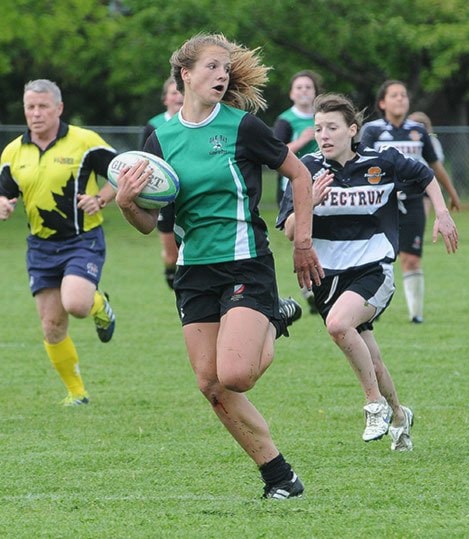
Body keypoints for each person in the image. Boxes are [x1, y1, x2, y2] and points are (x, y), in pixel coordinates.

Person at [115, 33, 321, 500]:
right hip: (194, 272)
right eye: (211, 66)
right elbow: (149, 223)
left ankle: (272, 313)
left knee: (236, 375)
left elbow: (300, 174)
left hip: (245, 263)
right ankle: (279, 477)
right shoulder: (159, 139)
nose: (222, 74)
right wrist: (127, 203)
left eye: (225, 67)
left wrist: (303, 242)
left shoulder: (241, 126)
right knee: (211, 384)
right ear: (184, 75)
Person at [277, 93, 458, 450]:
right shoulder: (306, 170)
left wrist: (442, 212)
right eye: (318, 129)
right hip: (326, 277)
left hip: (373, 269)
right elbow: (287, 230)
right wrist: (310, 201)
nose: (323, 135)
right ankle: (401, 416)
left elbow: (424, 175)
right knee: (370, 356)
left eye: (332, 127)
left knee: (338, 325)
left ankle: (374, 405)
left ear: (352, 130)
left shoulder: (383, 162)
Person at [0, 79, 117, 407]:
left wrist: (100, 199)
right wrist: (1, 205)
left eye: (43, 106)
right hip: (40, 246)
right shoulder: (13, 151)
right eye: (30, 107)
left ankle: (99, 305)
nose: (36, 113)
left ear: (59, 108)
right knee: (51, 326)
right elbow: (3, 193)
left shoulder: (84, 141)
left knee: (75, 304)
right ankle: (77, 393)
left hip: (82, 239)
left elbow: (122, 176)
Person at [360, 80, 461, 323]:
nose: (401, 99)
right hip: (381, 203)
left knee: (412, 258)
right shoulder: (372, 131)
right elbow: (361, 164)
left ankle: (416, 314)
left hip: (414, 201)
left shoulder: (418, 131)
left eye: (404, 95)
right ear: (382, 102)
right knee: (376, 256)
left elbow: (434, 165)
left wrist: (452, 192)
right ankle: (368, 307)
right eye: (394, 95)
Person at [273, 70, 322, 314]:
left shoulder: (322, 118)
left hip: (324, 185)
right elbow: (275, 152)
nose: (304, 91)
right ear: (292, 93)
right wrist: (303, 140)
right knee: (301, 235)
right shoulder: (286, 120)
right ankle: (308, 288)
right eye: (299, 87)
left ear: (315, 93)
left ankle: (321, 284)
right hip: (293, 190)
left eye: (308, 87)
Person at [142, 77, 184, 289]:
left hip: (188, 192)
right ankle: (170, 272)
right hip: (164, 196)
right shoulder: (154, 125)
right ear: (165, 99)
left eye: (180, 92)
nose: (178, 96)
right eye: (173, 92)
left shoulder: (194, 124)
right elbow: (144, 160)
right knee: (170, 253)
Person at [407, 111, 445, 217]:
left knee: (421, 217)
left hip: (425, 182)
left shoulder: (431, 141)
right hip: (408, 182)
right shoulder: (404, 141)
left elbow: (438, 161)